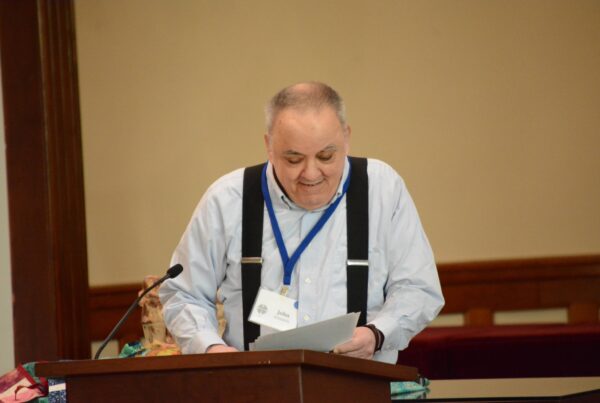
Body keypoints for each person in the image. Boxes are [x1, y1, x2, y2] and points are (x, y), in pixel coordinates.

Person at [159, 81, 444, 363]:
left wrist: (377, 334)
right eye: (294, 159)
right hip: (256, 390)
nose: (311, 173)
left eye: (326, 156)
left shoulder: (382, 189)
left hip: (361, 388)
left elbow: (418, 288)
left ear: (347, 138)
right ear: (269, 146)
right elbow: (184, 293)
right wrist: (211, 350)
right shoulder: (228, 199)